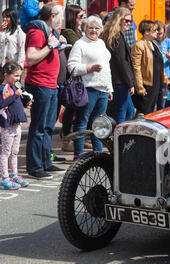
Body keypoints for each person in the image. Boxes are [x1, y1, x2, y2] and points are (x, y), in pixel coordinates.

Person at [24, 2, 66, 180]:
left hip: (50, 84)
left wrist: (59, 45)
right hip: (39, 85)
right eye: (60, 15)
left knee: (48, 127)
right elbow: (31, 58)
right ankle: (35, 167)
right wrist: (50, 47)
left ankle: (45, 162)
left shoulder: (51, 32)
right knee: (39, 127)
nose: (62, 19)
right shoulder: (37, 32)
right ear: (52, 17)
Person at [67, 15, 113, 160]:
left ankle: (98, 154)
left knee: (99, 124)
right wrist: (89, 68)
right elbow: (72, 67)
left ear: (101, 30)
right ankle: (79, 155)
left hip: (102, 90)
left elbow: (107, 68)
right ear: (85, 28)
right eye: (90, 27)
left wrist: (109, 88)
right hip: (88, 89)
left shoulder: (101, 43)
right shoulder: (80, 44)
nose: (94, 30)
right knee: (82, 122)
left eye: (97, 28)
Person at [102, 7, 135, 125]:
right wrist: (130, 83)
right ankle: (117, 139)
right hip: (120, 81)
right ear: (118, 19)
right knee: (122, 113)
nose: (128, 23)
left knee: (129, 112)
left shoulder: (113, 35)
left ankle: (116, 136)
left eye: (130, 21)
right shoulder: (117, 37)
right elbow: (122, 62)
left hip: (117, 80)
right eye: (125, 20)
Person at [0, 61, 29, 190]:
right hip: (7, 125)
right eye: (15, 76)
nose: (18, 79)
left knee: (15, 152)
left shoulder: (14, 87)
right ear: (6, 75)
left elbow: (17, 101)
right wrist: (14, 96)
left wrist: (25, 103)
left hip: (17, 125)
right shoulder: (3, 88)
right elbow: (2, 103)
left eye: (19, 76)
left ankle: (15, 175)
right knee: (5, 152)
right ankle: (5, 178)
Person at [131, 20, 170, 115]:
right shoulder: (139, 45)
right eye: (154, 30)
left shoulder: (154, 44)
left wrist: (167, 82)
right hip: (146, 85)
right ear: (146, 32)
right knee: (144, 113)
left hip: (156, 84)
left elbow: (159, 67)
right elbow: (136, 68)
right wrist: (140, 87)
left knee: (153, 113)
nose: (157, 32)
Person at [60, 4, 84, 153]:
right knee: (72, 106)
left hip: (79, 74)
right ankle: (67, 137)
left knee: (77, 107)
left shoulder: (77, 31)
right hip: (72, 75)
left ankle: (76, 137)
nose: (82, 19)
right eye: (80, 16)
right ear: (72, 17)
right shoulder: (68, 32)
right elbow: (81, 46)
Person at [155, 20, 170, 109]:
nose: (159, 36)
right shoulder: (152, 41)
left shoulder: (168, 41)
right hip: (154, 74)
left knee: (163, 100)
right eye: (157, 33)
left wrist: (169, 56)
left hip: (165, 74)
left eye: (161, 33)